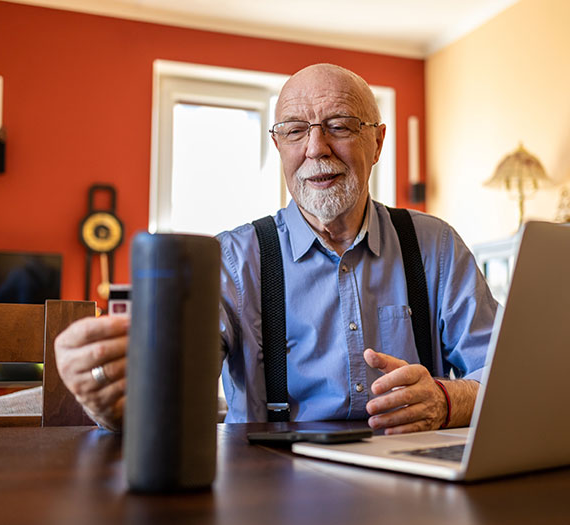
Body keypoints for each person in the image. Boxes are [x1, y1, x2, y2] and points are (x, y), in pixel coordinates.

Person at [54, 63, 499, 435]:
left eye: (339, 126)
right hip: (269, 485)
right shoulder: (231, 260)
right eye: (294, 131)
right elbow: (172, 396)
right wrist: (113, 401)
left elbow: (506, 376)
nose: (316, 148)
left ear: (378, 142)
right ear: (278, 145)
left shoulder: (435, 245)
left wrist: (446, 400)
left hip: (414, 483)